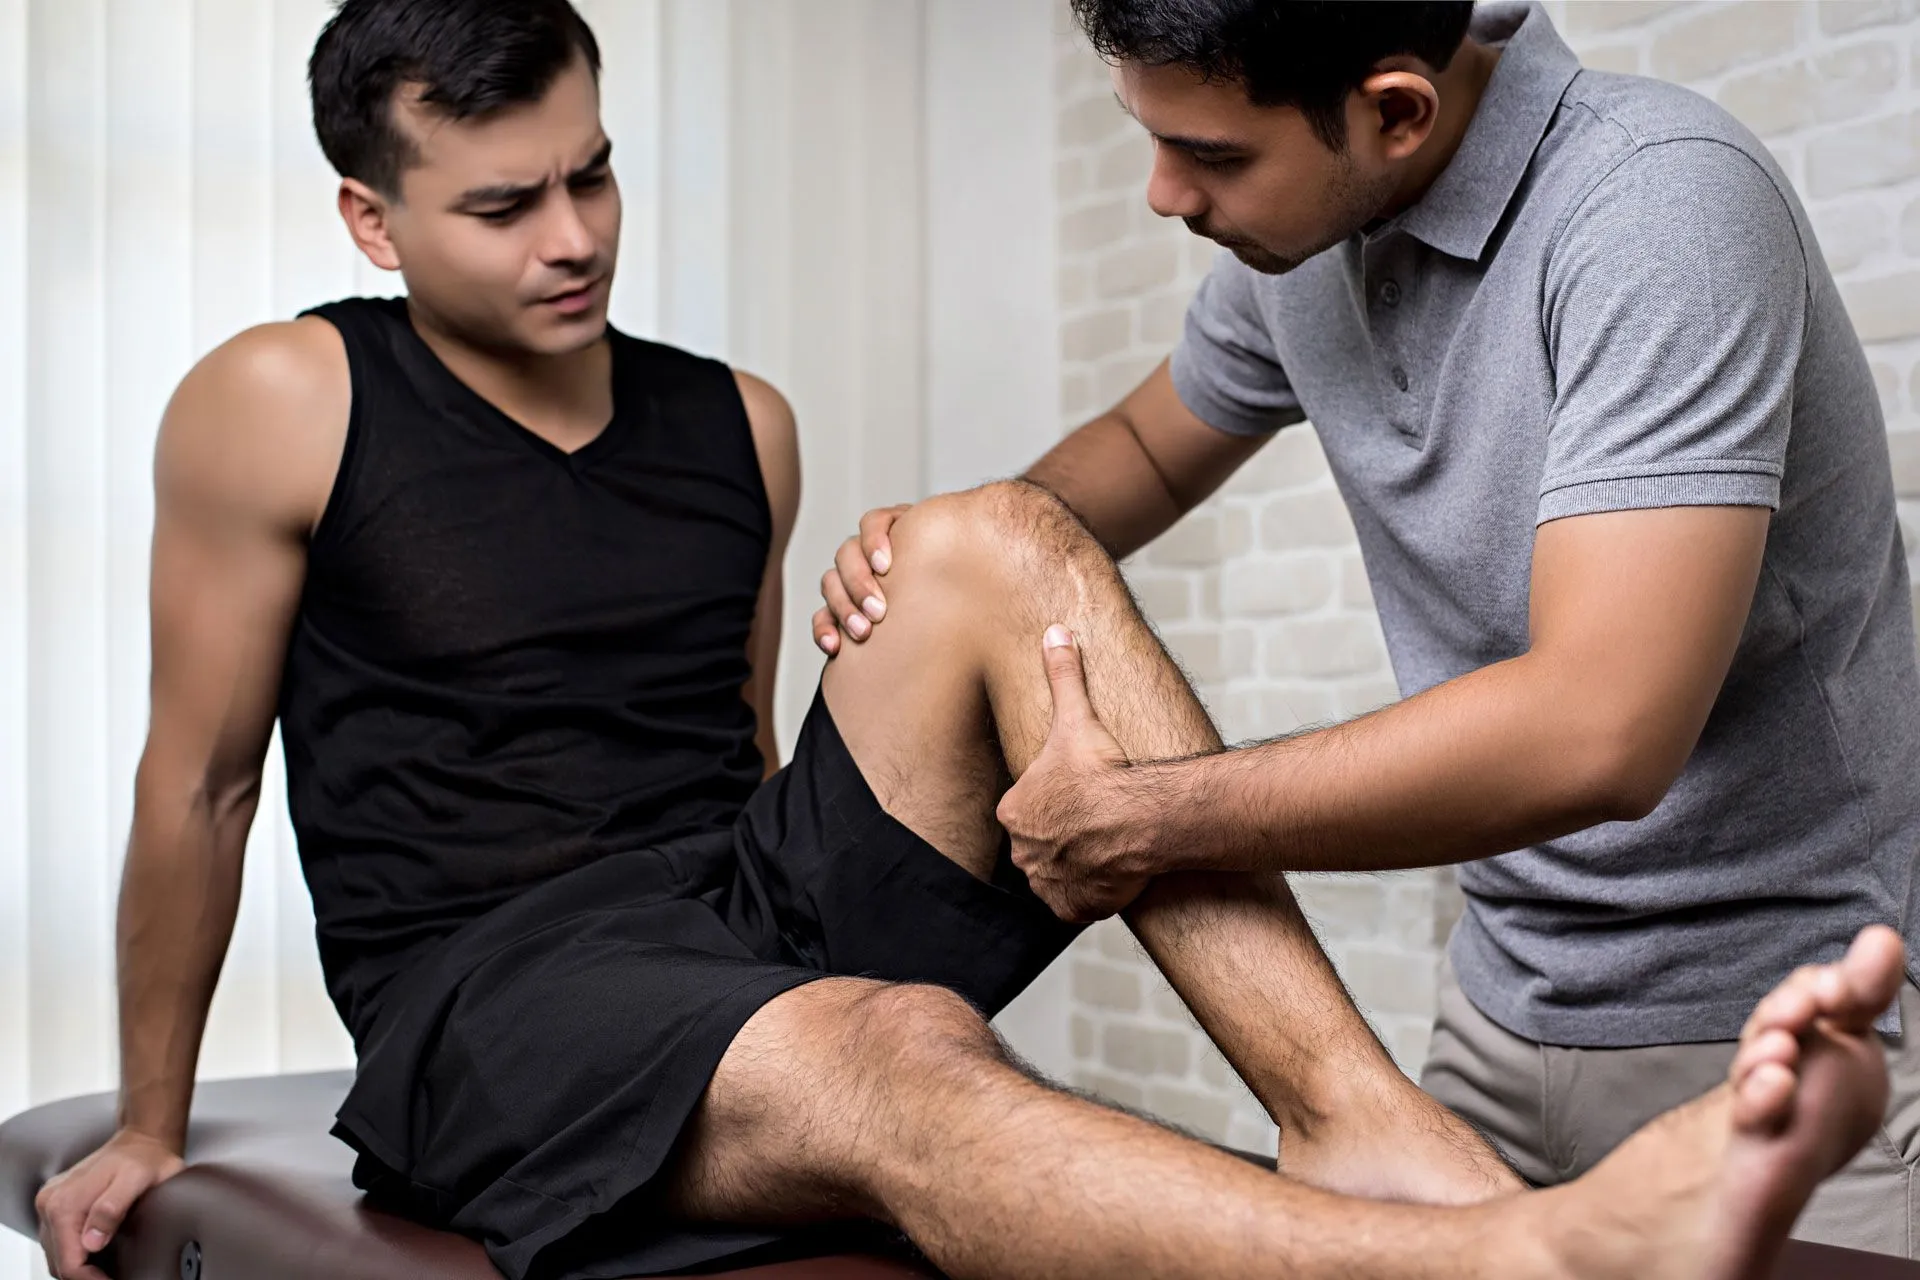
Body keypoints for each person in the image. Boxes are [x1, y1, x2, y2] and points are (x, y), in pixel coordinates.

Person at [24, 2, 1905, 1279]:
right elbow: (199, 781)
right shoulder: (281, 397)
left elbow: (752, 757)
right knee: (901, 1037)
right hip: (487, 996)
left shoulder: (738, 422)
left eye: (593, 174)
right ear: (374, 220)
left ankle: (1357, 1127)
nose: (574, 235)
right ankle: (1506, 1254)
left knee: (1004, 535)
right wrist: (153, 1125)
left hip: (708, 915)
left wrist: (956, 590)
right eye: (506, 204)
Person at [817, 0, 1920, 1259]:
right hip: (1497, 1016)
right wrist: (961, 551)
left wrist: (1151, 812)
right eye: (1151, 136)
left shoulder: (1659, 207)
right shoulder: (1307, 238)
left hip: (1781, 1028)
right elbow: (1143, 448)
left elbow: (1600, 731)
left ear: (1395, 111)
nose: (1164, 194)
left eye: (1214, 155)